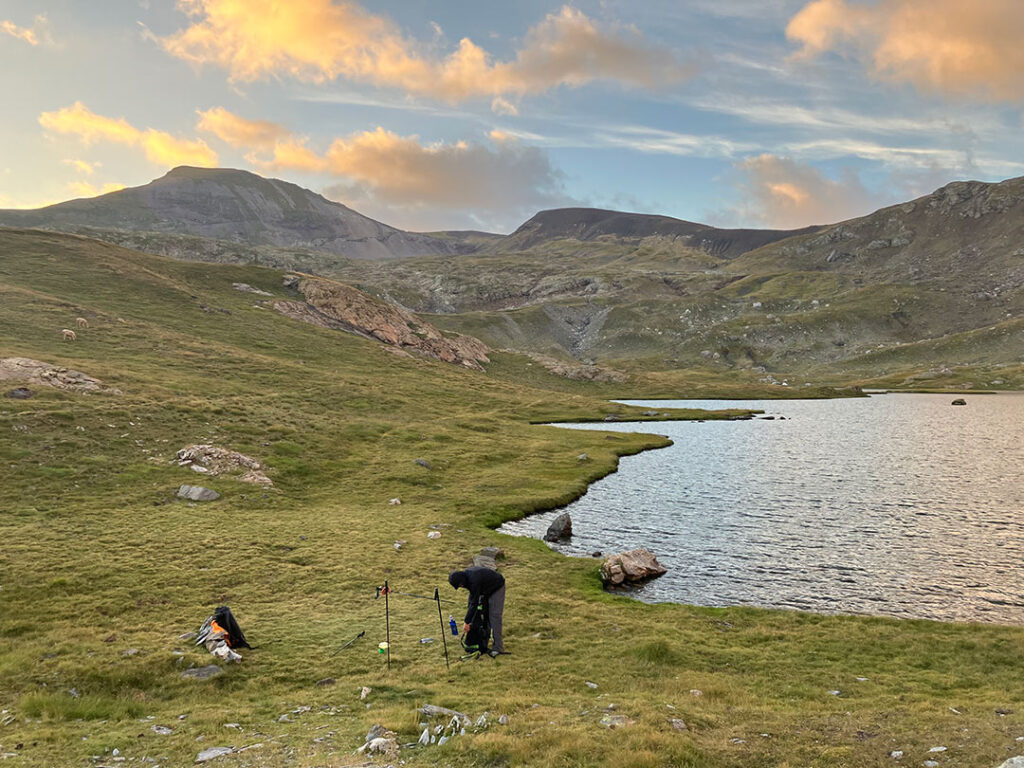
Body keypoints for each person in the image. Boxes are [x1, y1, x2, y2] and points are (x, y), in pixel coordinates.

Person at [448, 566, 506, 656]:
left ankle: (498, 647)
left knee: (495, 616)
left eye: (460, 585)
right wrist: (470, 619)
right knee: (484, 614)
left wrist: (467, 622)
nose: (461, 587)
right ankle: (483, 642)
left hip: (497, 587)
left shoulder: (473, 580)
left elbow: (474, 603)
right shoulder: (467, 578)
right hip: (485, 589)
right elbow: (471, 601)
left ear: (461, 581)